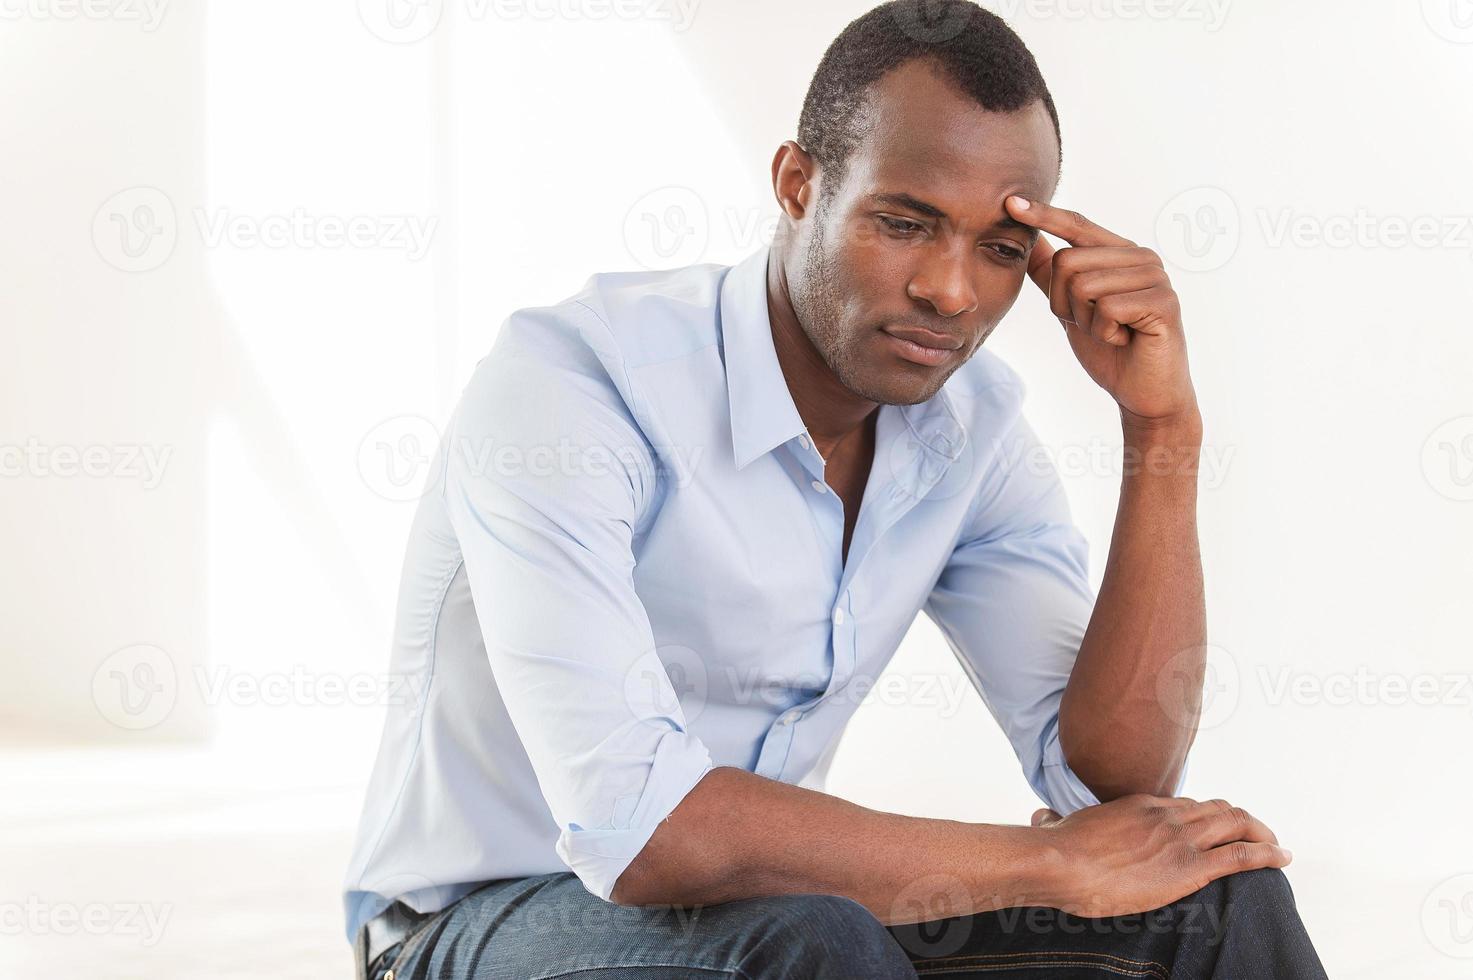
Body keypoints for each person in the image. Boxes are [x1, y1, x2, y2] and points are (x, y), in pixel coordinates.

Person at [343, 2, 1328, 976]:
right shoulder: (574, 386)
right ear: (798, 184)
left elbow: (1115, 783)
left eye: (1000, 247)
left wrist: (1162, 429)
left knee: (1217, 898)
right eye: (906, 222)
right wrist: (1050, 860)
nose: (951, 289)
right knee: (817, 935)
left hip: (769, 915)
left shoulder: (970, 432)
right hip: (474, 923)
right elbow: (638, 827)